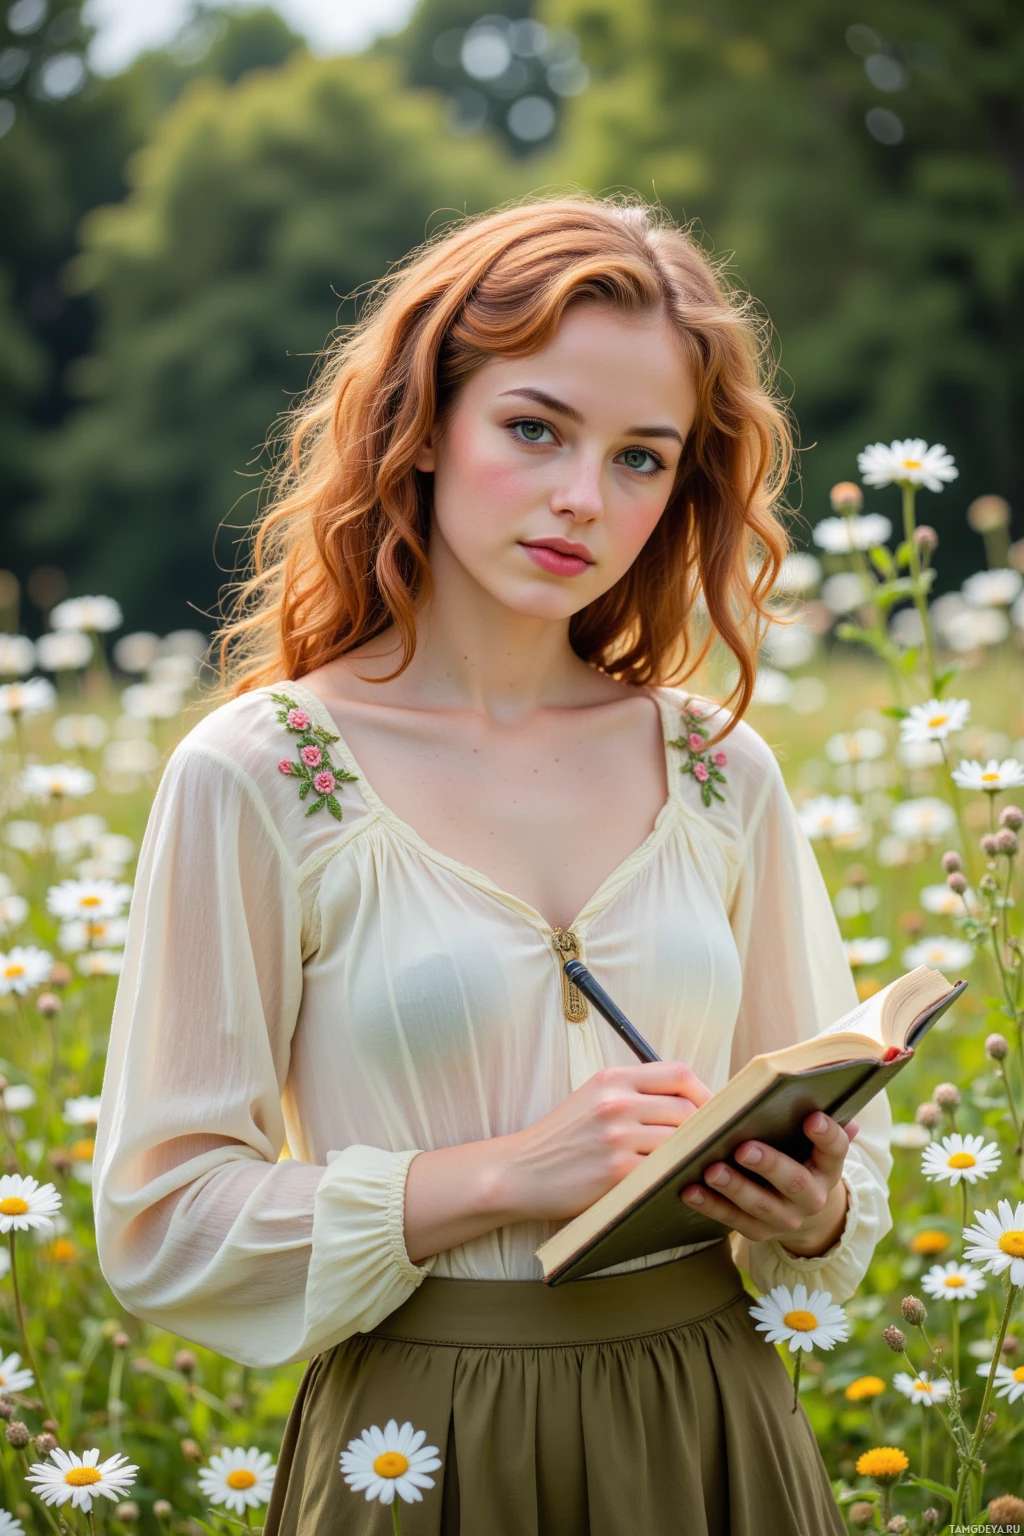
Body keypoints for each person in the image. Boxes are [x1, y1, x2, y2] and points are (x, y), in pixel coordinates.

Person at [92, 193, 893, 1535]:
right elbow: (165, 1221)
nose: (586, 497)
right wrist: (506, 1174)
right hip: (422, 1439)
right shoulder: (258, 773)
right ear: (424, 425)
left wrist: (809, 1208)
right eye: (536, 429)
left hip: (713, 1431)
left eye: (644, 458)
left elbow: (845, 1158)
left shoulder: (721, 772)